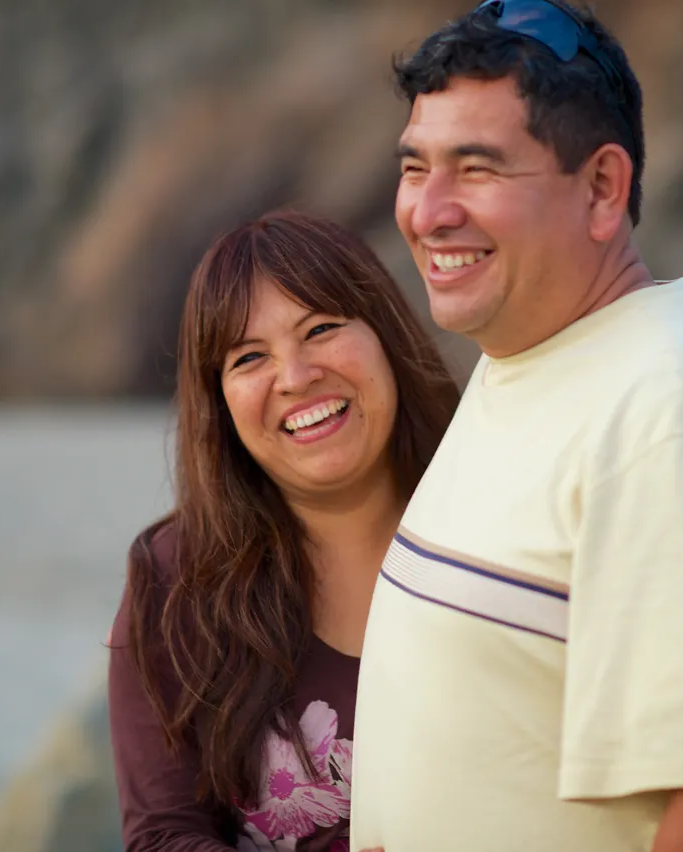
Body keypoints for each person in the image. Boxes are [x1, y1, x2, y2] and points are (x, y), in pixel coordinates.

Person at [350, 2, 683, 851]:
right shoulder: (529, 361)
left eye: (477, 169)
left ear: (603, 188)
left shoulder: (680, 414)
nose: (427, 213)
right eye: (415, 166)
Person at [107, 210, 461, 852]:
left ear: (385, 335)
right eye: (249, 358)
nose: (296, 377)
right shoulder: (175, 576)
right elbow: (165, 834)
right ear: (219, 400)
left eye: (321, 328)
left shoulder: (502, 518)